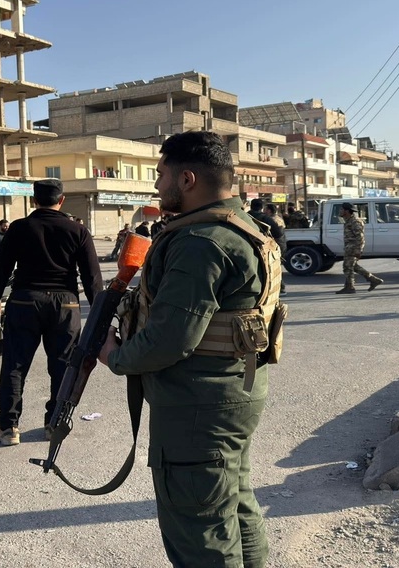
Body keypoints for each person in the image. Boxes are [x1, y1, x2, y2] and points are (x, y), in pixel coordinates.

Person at [96, 131, 277, 567]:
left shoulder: (200, 242)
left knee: (201, 530)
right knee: (233, 505)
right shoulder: (244, 227)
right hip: (233, 393)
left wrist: (115, 356)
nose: (157, 186)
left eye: (161, 176)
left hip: (197, 407)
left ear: (187, 179)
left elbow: (171, 339)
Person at [0, 178, 102, 446]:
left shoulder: (19, 228)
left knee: (14, 365)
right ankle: (54, 424)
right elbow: (92, 277)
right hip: (66, 304)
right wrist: (99, 313)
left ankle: (8, 428)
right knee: (63, 366)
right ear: (62, 200)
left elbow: (1, 269)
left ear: (33, 201)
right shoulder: (78, 230)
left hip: (25, 301)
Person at [337, 202, 383, 293]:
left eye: (342, 209)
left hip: (353, 248)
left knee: (347, 267)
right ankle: (373, 280)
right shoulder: (348, 221)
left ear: (347, 211)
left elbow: (360, 237)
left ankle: (350, 287)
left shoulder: (355, 221)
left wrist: (358, 250)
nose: (340, 211)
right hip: (349, 248)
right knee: (352, 266)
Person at [250, 199, 287, 296]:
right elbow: (278, 233)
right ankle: (280, 288)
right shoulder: (266, 218)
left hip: (247, 246)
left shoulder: (243, 217)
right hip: (264, 247)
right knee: (270, 268)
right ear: (262, 208)